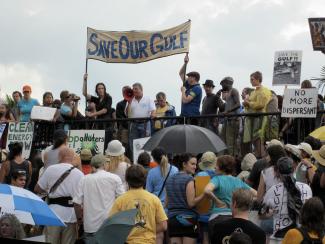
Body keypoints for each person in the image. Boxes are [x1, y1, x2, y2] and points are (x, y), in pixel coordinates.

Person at [34, 147, 84, 244]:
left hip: (54, 213)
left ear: (63, 155)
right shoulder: (80, 174)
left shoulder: (51, 169)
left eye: (58, 155)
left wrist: (47, 190)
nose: (57, 158)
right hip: (71, 214)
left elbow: (37, 189)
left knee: (49, 241)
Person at [73, 154, 125, 244]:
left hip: (90, 225)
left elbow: (77, 202)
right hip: (109, 225)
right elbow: (122, 199)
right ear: (104, 165)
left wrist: (79, 218)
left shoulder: (84, 179)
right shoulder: (115, 178)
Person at [109, 164, 168, 244]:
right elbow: (163, 225)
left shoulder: (120, 200)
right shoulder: (154, 199)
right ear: (145, 179)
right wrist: (149, 230)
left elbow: (112, 225)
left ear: (127, 180)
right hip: (148, 241)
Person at [259, 157, 312, 244]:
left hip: (279, 239)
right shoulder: (306, 188)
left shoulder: (273, 190)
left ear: (278, 172)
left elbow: (261, 215)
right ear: (294, 170)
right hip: (301, 238)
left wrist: (272, 212)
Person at [203, 155, 257, 242]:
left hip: (217, 217)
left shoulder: (217, 179)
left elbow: (206, 190)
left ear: (223, 166)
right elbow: (257, 195)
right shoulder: (238, 181)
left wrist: (216, 200)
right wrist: (242, 201)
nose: (214, 167)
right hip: (233, 217)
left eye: (217, 164)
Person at [165, 153, 205, 244]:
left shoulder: (169, 179)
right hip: (188, 220)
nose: (195, 167)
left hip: (173, 221)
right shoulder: (189, 179)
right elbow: (191, 203)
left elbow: (166, 204)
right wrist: (204, 194)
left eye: (196, 164)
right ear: (184, 164)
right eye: (192, 164)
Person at [145, 147, 178, 244]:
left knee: (158, 237)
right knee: (169, 237)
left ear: (154, 159)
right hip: (171, 207)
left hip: (157, 207)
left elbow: (148, 192)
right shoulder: (175, 170)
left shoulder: (152, 172)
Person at [257, 145, 287, 241]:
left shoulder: (265, 172)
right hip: (286, 214)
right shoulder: (291, 171)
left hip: (270, 213)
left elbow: (259, 198)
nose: (266, 158)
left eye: (267, 155)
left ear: (272, 156)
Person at [242, 72, 271, 158]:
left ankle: (260, 157)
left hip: (259, 118)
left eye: (252, 79)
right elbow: (251, 105)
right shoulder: (254, 91)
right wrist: (246, 104)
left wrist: (249, 103)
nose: (250, 82)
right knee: (255, 141)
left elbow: (261, 104)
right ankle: (258, 157)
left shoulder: (262, 91)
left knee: (258, 140)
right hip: (252, 118)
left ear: (258, 79)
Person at [83, 74, 114, 150]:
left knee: (105, 145)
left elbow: (104, 111)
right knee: (95, 144)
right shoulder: (97, 99)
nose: (101, 90)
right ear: (96, 90)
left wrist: (92, 115)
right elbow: (84, 93)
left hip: (107, 124)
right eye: (99, 89)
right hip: (98, 124)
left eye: (102, 88)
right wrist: (84, 80)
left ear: (104, 89)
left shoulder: (108, 98)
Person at [125, 83, 156, 152]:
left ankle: (145, 158)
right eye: (133, 89)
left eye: (136, 89)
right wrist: (129, 103)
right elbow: (127, 113)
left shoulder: (148, 98)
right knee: (133, 142)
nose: (134, 90)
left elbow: (153, 109)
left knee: (145, 142)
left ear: (141, 90)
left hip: (145, 123)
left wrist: (153, 114)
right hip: (134, 124)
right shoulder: (130, 99)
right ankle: (136, 158)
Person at [195, 151, 217, 244]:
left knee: (205, 238)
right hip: (217, 212)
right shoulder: (219, 175)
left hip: (203, 214)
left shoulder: (199, 175)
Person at [217, 77, 241, 157]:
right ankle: (224, 159)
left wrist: (227, 111)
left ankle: (233, 160)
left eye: (222, 83)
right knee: (223, 142)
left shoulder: (234, 91)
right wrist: (217, 98)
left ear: (227, 82)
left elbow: (238, 104)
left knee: (231, 144)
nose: (221, 85)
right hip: (227, 121)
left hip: (232, 121)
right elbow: (221, 109)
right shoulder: (228, 95)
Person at [179, 55, 202, 125]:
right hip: (184, 117)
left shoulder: (197, 88)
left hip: (191, 118)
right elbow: (181, 73)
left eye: (189, 77)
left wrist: (183, 91)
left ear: (193, 78)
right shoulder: (189, 85)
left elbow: (185, 100)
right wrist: (185, 63)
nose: (187, 78)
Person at [239, 87, 255, 157]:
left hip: (246, 131)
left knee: (246, 150)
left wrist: (243, 130)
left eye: (243, 93)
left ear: (248, 94)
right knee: (244, 149)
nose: (241, 95)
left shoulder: (249, 107)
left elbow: (248, 120)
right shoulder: (245, 107)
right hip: (243, 131)